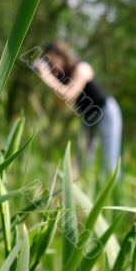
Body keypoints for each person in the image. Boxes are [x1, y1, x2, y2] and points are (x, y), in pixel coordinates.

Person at [34, 41, 122, 174]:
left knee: (109, 160)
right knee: (83, 160)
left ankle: (113, 191)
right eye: (48, 63)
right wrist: (51, 79)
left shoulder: (82, 67)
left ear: (62, 56)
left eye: (52, 61)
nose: (51, 66)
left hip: (106, 112)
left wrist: (47, 77)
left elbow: (70, 94)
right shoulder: (61, 79)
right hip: (87, 117)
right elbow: (61, 106)